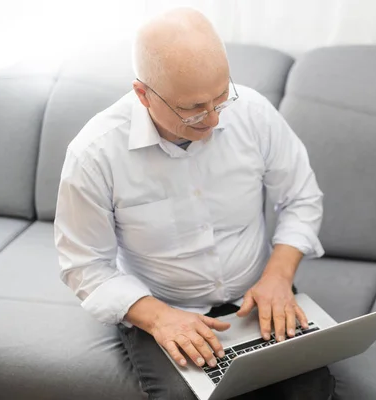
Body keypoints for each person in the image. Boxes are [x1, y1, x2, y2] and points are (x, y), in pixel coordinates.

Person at [54, 7, 335, 400]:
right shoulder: (94, 154)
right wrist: (160, 318)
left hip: (257, 296)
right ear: (143, 95)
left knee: (312, 390)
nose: (214, 119)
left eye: (221, 96)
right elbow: (85, 266)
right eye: (192, 108)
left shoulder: (251, 112)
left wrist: (278, 276)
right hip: (162, 308)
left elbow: (301, 198)